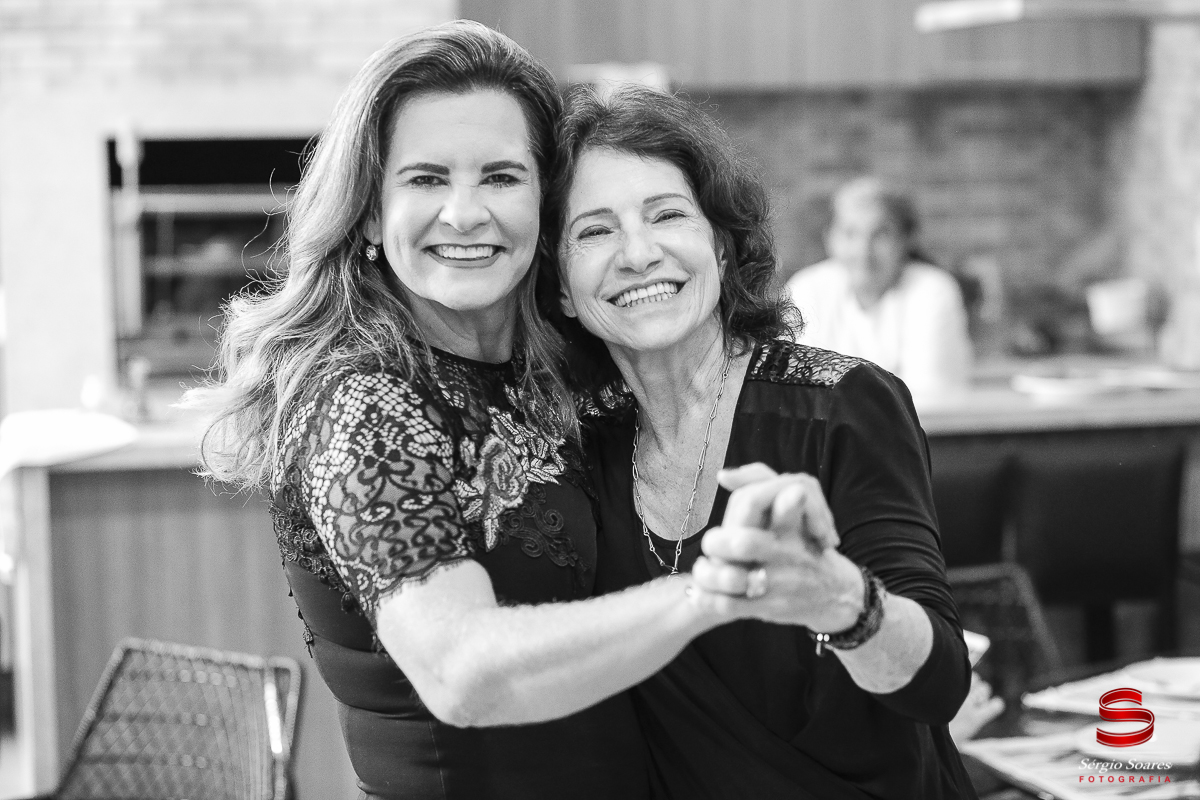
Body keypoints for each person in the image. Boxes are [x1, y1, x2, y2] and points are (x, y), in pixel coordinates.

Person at [185, 22, 767, 800]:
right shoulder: (361, 401)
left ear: (544, 203)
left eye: (500, 177)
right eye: (426, 179)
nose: (465, 214)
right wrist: (714, 591)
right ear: (369, 212)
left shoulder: (557, 369)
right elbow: (462, 674)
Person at [547, 84, 977, 799]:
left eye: (667, 215)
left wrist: (839, 600)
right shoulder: (578, 454)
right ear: (560, 287)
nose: (639, 253)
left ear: (720, 246)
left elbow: (937, 685)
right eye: (594, 231)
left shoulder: (842, 405)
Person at [785, 176, 973, 400]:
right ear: (830, 239)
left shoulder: (933, 290)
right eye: (850, 233)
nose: (863, 251)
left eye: (880, 234)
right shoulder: (806, 289)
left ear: (906, 239)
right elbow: (794, 392)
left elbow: (927, 395)